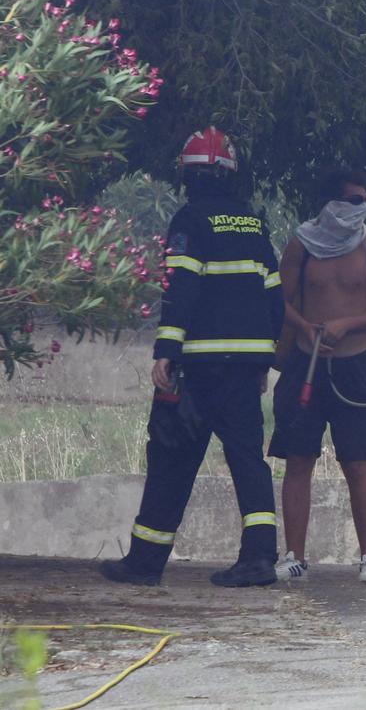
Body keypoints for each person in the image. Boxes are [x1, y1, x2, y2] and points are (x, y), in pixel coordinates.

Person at [100, 128, 286, 588]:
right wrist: (262, 359)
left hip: (198, 368)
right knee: (247, 459)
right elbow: (275, 297)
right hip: (244, 370)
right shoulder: (252, 224)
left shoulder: (189, 221)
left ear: (188, 175)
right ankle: (260, 559)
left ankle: (145, 562)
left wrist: (166, 352)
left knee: (172, 456)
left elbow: (179, 290)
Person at [270, 169, 366, 585]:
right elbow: (278, 299)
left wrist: (350, 324)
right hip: (306, 366)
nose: (357, 209)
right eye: (350, 200)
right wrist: (305, 327)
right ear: (329, 203)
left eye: (364, 201)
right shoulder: (301, 245)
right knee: (298, 459)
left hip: (355, 366)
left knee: (357, 464)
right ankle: (294, 555)